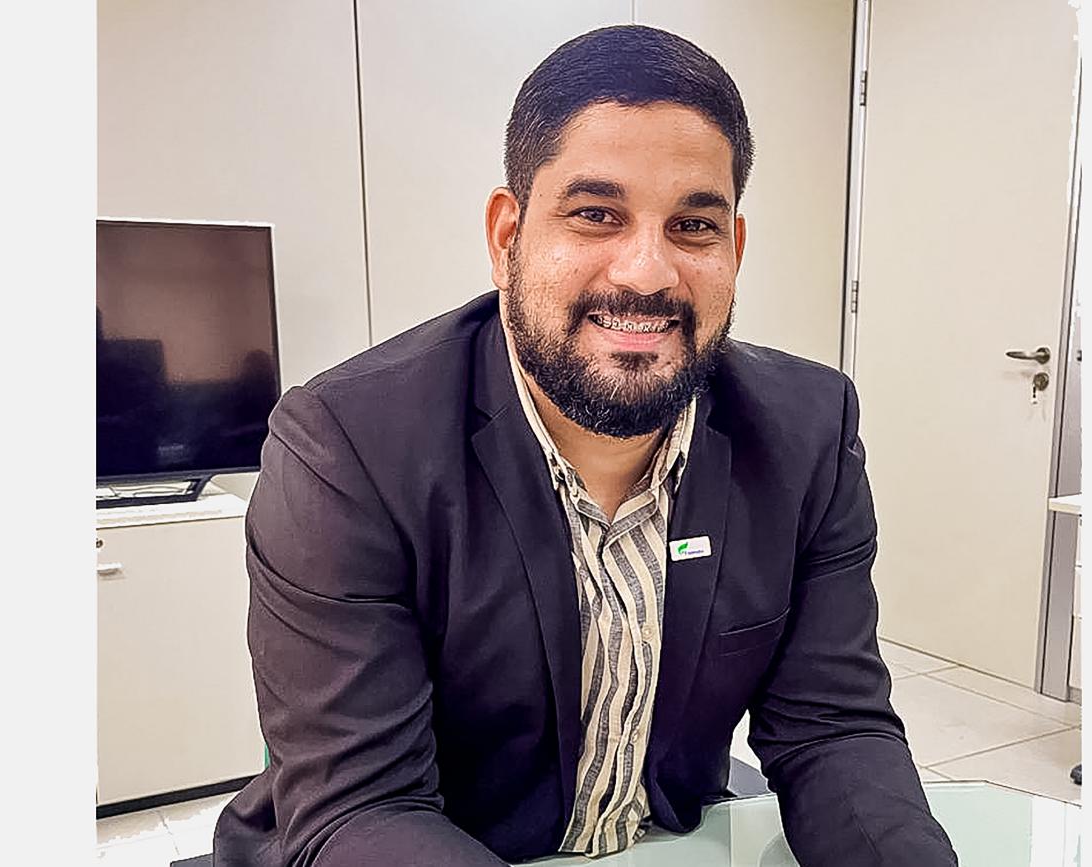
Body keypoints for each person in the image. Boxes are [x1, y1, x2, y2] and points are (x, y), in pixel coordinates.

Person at [214, 24, 957, 867]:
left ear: (735, 249)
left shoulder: (807, 431)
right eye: (596, 215)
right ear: (507, 238)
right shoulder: (347, 447)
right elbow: (363, 807)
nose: (646, 272)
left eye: (693, 225)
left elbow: (833, 727)